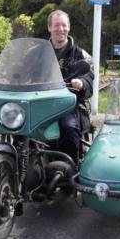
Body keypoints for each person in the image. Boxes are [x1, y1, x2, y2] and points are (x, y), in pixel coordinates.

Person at [47, 10, 94, 162]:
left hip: (69, 105)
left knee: (68, 127)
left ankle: (70, 167)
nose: (60, 29)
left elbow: (89, 78)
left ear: (69, 27)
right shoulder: (38, 53)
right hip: (41, 103)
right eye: (56, 25)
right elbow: (25, 71)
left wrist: (81, 83)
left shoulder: (80, 54)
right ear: (49, 28)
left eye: (64, 25)